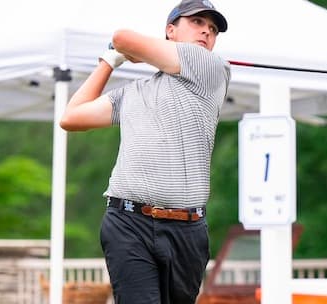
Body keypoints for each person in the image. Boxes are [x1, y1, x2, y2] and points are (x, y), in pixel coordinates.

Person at [59, 0, 230, 303]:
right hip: (128, 223)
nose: (206, 32)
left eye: (213, 29)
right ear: (170, 31)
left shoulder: (210, 68)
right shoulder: (133, 93)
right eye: (197, 23)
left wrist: (128, 51)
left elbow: (123, 37)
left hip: (186, 230)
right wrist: (109, 61)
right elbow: (71, 117)